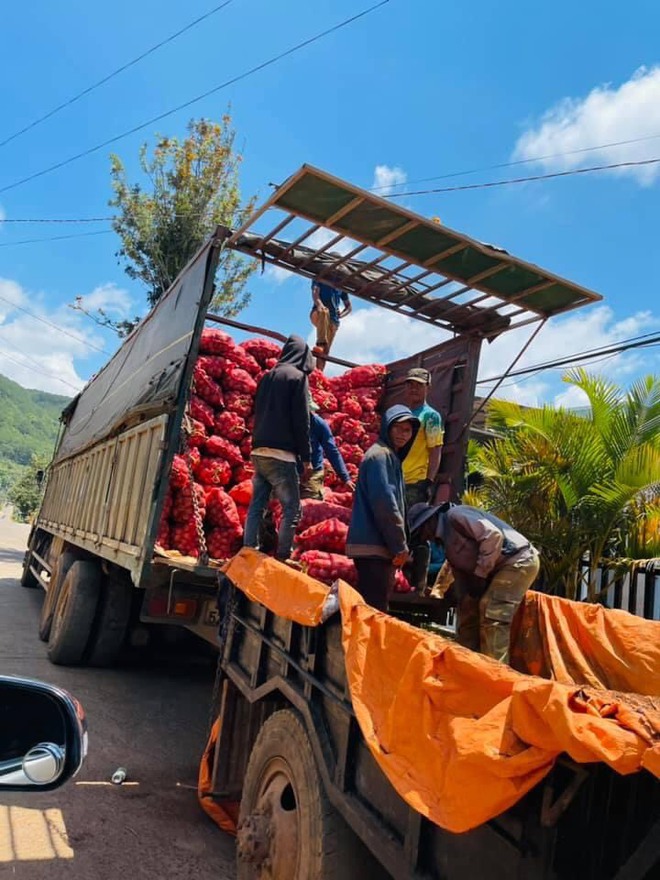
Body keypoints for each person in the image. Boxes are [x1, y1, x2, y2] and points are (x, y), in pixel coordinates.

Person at [408, 502, 540, 664]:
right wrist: (462, 599)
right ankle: (467, 668)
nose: (423, 537)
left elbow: (493, 536)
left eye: (420, 531)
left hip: (518, 560)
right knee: (467, 614)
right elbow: (459, 573)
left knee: (492, 611)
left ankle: (495, 674)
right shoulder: (447, 543)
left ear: (429, 521)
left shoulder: (456, 516)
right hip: (494, 569)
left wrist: (480, 574)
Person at [244, 335, 314, 561]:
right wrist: (306, 457)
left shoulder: (267, 377)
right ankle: (283, 556)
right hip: (281, 454)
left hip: (258, 451)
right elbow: (302, 420)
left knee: (257, 504)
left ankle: (249, 550)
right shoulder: (298, 377)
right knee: (292, 508)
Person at [346, 405, 419, 611]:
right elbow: (385, 503)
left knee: (373, 609)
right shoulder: (380, 456)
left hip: (376, 548)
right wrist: (399, 545)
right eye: (398, 428)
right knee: (375, 612)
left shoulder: (389, 457)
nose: (402, 435)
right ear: (387, 427)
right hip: (374, 547)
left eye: (407, 430)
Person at [402, 367, 443, 589]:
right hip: (398, 481)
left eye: (418, 385)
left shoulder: (431, 416)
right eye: (410, 384)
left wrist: (429, 481)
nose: (414, 389)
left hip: (416, 481)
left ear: (428, 387)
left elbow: (436, 449)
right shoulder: (403, 414)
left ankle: (416, 583)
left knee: (415, 532)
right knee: (397, 529)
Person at [300, 401, 354, 499]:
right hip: (289, 470)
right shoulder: (286, 422)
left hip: (312, 472)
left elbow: (332, 451)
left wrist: (345, 478)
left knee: (311, 506)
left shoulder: (318, 423)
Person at [310, 279, 352, 371]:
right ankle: (320, 343)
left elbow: (349, 307)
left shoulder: (341, 287)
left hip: (333, 321)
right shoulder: (320, 278)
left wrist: (341, 314)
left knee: (325, 352)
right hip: (318, 313)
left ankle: (319, 373)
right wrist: (319, 304)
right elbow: (315, 292)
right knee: (324, 311)